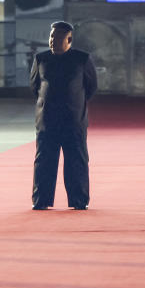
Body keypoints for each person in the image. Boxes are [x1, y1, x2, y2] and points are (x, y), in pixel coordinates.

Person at [29, 21, 97, 210]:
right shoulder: (41, 59)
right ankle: (41, 200)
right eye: (51, 37)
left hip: (74, 121)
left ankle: (79, 200)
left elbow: (91, 88)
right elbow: (35, 87)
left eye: (58, 37)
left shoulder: (82, 59)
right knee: (44, 162)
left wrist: (76, 105)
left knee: (76, 161)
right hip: (47, 121)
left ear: (69, 40)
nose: (53, 41)